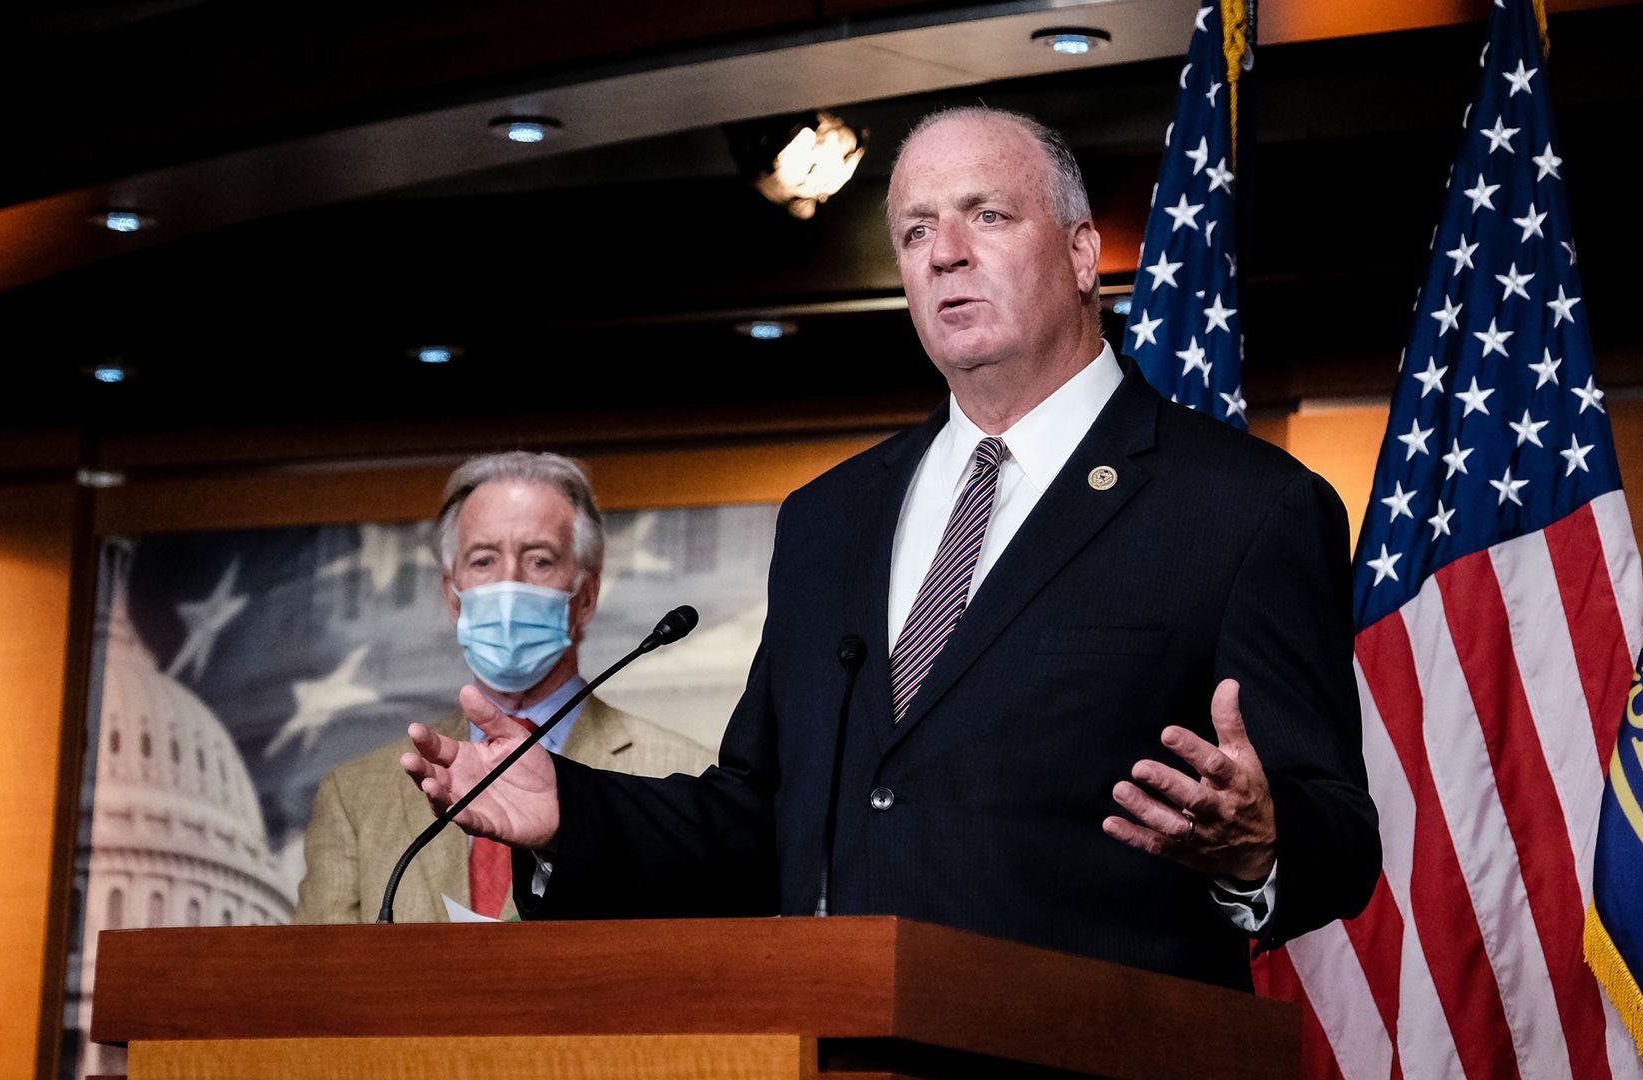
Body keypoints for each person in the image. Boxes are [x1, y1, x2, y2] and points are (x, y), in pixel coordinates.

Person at [403, 108, 1379, 985]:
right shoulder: (833, 516)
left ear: (1084, 251)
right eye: (916, 230)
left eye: (986, 216)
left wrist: (1261, 843)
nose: (945, 252)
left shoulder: (1243, 507)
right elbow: (763, 817)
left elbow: (1340, 831)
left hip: (1093, 1051)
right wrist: (572, 809)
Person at [294, 451, 712, 923]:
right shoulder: (355, 796)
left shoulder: (688, 777)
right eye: (484, 560)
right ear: (453, 597)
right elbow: (318, 982)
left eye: (539, 560)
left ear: (586, 598)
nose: (508, 583)